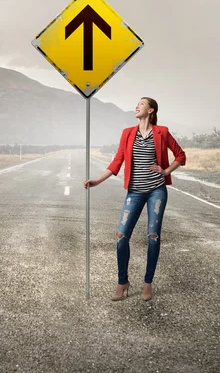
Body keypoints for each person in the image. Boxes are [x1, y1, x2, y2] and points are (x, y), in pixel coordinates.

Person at [83, 97, 186, 302]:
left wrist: (165, 170)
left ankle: (147, 283)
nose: (137, 106)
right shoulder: (128, 133)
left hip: (157, 191)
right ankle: (123, 282)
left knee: (153, 236)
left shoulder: (162, 132)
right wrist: (97, 181)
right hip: (135, 192)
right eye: (137, 103)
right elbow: (117, 161)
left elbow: (181, 156)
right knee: (121, 236)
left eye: (141, 103)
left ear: (151, 110)